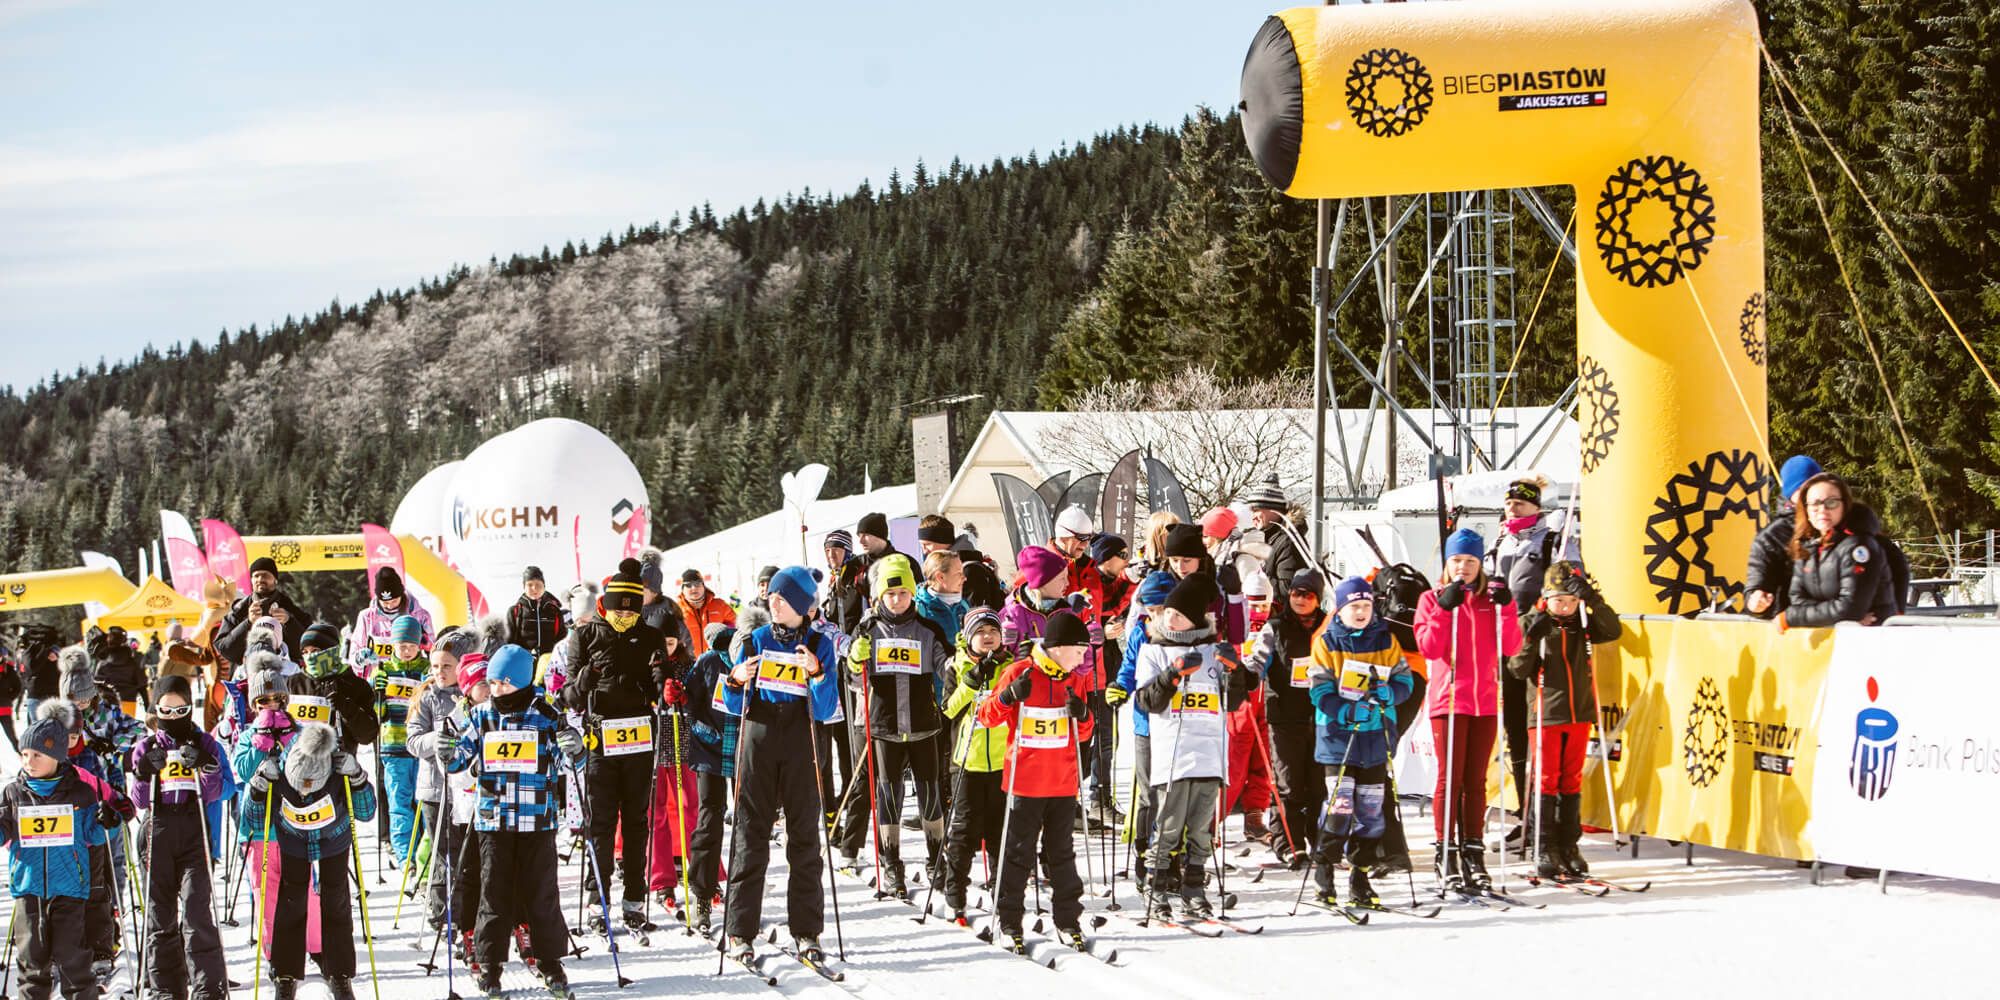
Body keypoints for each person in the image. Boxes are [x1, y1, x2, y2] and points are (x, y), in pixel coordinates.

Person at [719, 566, 843, 965]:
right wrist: (736, 679)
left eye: (783, 597)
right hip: (760, 734)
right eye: (772, 595)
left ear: (804, 607)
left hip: (802, 737)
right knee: (750, 833)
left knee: (805, 835)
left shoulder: (819, 643)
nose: (773, 601)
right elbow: (733, 706)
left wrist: (818, 673)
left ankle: (807, 930)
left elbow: (825, 710)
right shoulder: (755, 639)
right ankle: (740, 930)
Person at [448, 646, 579, 1000]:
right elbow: (459, 761)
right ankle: (490, 965)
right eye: (491, 683)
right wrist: (448, 748)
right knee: (494, 890)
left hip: (537, 818)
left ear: (519, 682)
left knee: (541, 892)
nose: (495, 691)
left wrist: (574, 747)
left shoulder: (545, 715)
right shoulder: (481, 715)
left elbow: (568, 764)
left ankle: (550, 960)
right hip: (495, 819)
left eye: (503, 684)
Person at [975, 610, 1095, 951]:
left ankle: (1068, 919)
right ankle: (1009, 920)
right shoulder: (1020, 671)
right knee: (1017, 855)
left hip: (1062, 783)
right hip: (1024, 783)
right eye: (1078, 651)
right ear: (1058, 647)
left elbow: (1083, 733)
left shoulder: (1074, 680)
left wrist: (1083, 714)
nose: (1082, 658)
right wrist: (1008, 695)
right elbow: (985, 716)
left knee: (1061, 856)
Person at [564, 557, 669, 935]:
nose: (624, 615)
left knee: (638, 823)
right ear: (605, 606)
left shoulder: (652, 636)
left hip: (640, 738)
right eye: (617, 609)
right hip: (600, 739)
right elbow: (570, 697)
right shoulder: (586, 635)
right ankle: (597, 899)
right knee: (601, 823)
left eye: (631, 609)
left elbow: (663, 685)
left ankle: (634, 899)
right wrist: (586, 678)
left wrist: (665, 685)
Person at [1416, 527, 1524, 893]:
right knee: (1451, 779)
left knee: (1476, 782)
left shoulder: (1488, 601)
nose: (1463, 568)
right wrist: (1445, 609)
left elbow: (1511, 647)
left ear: (1481, 565)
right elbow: (1429, 649)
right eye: (1457, 561)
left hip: (1484, 702)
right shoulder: (1431, 599)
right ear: (1447, 563)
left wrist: (1508, 608)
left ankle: (1473, 851)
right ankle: (1445, 851)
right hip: (1449, 700)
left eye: (1471, 561)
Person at [844, 554, 955, 898]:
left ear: (912, 594)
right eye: (891, 595)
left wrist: (958, 664)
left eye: (904, 593)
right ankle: (891, 863)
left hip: (924, 725)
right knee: (889, 795)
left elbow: (945, 666)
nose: (898, 600)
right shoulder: (867, 630)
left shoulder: (928, 630)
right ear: (879, 597)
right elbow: (850, 679)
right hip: (885, 727)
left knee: (930, 795)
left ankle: (937, 858)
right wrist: (855, 657)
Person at [1133, 574, 1241, 922]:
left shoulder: (1213, 651)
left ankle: (1194, 887)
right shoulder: (1153, 650)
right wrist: (1172, 675)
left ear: (1194, 619)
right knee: (1168, 824)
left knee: (1200, 828)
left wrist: (1234, 670)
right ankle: (1157, 885)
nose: (1168, 618)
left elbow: (1236, 700)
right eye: (1167, 612)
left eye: (1178, 614)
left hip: (1209, 754)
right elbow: (1146, 700)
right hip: (1173, 755)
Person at [1508, 562, 1622, 879]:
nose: (1566, 607)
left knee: (1571, 778)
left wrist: (1594, 601)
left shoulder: (1581, 621)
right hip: (1546, 713)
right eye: (1560, 600)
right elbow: (1516, 669)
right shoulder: (1533, 620)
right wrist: (1531, 639)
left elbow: (1612, 630)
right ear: (1547, 597)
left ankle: (1569, 845)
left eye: (1571, 601)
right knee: (1547, 778)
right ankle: (1543, 846)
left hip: (1579, 712)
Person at [1306, 577, 1414, 908]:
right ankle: (1324, 870)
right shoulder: (1327, 641)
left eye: (1366, 606)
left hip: (1374, 738)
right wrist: (1345, 709)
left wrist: (1390, 692)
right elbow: (1318, 689)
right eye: (1355, 606)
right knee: (1339, 809)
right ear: (1341, 608)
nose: (1362, 612)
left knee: (1371, 812)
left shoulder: (1386, 639)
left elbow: (1404, 680)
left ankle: (1360, 875)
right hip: (1338, 738)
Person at [245, 721, 373, 1000]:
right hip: (293, 841)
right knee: (290, 902)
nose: (303, 796)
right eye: (298, 790)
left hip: (333, 840)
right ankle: (285, 972)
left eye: (310, 791)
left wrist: (358, 777)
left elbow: (366, 813)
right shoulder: (277, 769)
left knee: (336, 901)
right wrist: (257, 789)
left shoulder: (338, 768)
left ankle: (339, 972)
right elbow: (253, 821)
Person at [1, 711, 118, 1000]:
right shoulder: (14, 793)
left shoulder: (79, 792)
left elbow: (93, 835)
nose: (29, 762)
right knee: (32, 965)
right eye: (24, 754)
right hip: (28, 890)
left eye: (37, 755)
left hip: (69, 889)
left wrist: (109, 822)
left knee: (73, 961)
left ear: (56, 756)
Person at [127, 675, 230, 1000]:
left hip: (193, 827)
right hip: (157, 831)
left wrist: (206, 765)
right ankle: (166, 989)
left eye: (180, 710)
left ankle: (207, 988)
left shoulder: (204, 742)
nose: (173, 718)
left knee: (197, 909)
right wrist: (143, 772)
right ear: (155, 709)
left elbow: (216, 792)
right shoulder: (146, 746)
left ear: (190, 708)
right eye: (165, 711)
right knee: (160, 914)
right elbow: (139, 801)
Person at [1488, 475, 1580, 813]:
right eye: (1509, 504)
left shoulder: (1551, 541)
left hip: (1539, 641)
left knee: (1535, 721)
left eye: (1520, 504)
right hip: (1506, 642)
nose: (1513, 509)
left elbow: (1572, 579)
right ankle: (1524, 805)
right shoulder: (1501, 543)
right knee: (1513, 723)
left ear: (1535, 507)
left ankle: (1547, 806)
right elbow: (1486, 581)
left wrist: (1556, 591)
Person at [1246, 568, 1328, 862]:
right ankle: (1289, 845)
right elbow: (1256, 662)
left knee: (1317, 784)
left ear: (1318, 598)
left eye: (1307, 594)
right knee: (1288, 782)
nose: (1300, 599)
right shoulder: (1276, 626)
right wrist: (1244, 677)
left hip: (1320, 715)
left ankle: (1318, 839)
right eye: (1295, 593)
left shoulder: (1329, 626)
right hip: (1284, 714)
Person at [1105, 570, 1178, 891]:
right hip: (1145, 723)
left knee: (1174, 793)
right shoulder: (1140, 633)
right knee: (1148, 793)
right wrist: (1119, 687)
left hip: (1179, 723)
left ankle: (1172, 857)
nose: (1155, 616)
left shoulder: (1186, 633)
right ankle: (1144, 856)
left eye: (1161, 609)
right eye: (1150, 609)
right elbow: (1128, 669)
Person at [939, 608, 1011, 923]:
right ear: (970, 637)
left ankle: (1002, 890)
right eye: (981, 632)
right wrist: (970, 682)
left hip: (1002, 760)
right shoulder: (956, 665)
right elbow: (948, 709)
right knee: (964, 833)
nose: (988, 637)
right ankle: (955, 895)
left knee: (1000, 831)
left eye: (993, 631)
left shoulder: (1010, 666)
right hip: (967, 761)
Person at [681, 620, 745, 933]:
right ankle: (703, 892)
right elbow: (688, 704)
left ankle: (743, 893)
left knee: (748, 821)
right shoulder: (707, 663)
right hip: (711, 748)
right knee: (709, 819)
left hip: (746, 748)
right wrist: (700, 729)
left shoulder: (754, 660)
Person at [1781, 473, 1900, 628]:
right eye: (1815, 504)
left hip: (1871, 639)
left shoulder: (1859, 545)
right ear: (1806, 509)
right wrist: (1836, 617)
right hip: (1831, 640)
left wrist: (1792, 617)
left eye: (1831, 503)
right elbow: (1797, 599)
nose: (1822, 510)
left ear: (1844, 506)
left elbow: (1851, 607)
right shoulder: (1807, 545)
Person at [1076, 534, 1133, 828]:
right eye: (1122, 554)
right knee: (1090, 738)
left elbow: (1115, 605)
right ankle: (1076, 799)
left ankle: (1099, 799)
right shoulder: (1089, 581)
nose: (1127, 558)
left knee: (1108, 738)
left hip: (1107, 665)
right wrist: (1101, 629)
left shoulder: (1113, 581)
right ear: (1105, 556)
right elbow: (1084, 618)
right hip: (1086, 669)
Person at [371, 614, 428, 869]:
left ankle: (426, 852)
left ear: (419, 645)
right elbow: (376, 715)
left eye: (411, 645)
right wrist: (376, 692)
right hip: (393, 747)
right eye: (401, 645)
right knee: (399, 803)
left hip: (421, 748)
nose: (406, 651)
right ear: (392, 644)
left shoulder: (426, 670)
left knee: (425, 802)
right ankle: (406, 855)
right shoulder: (384, 670)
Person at [1746, 455, 1823, 618]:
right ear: (1791, 492)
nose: (1812, 494)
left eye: (1816, 486)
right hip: (1790, 627)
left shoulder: (1838, 524)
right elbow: (1758, 583)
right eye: (1804, 488)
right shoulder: (1772, 537)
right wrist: (1757, 601)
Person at [299, 623, 380, 755]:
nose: (310, 657)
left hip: (339, 767)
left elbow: (367, 736)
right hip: (298, 767)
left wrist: (346, 707)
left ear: (332, 650)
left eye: (315, 651)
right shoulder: (294, 683)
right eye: (305, 652)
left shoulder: (355, 685)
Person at [216, 558, 309, 666]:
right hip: (247, 678)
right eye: (256, 576)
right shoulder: (238, 611)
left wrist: (290, 622)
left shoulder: (291, 610)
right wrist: (247, 623)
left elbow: (307, 647)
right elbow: (225, 650)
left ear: (275, 579)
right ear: (251, 580)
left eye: (265, 575)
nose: (260, 579)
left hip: (285, 677)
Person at [346, 568, 434, 679]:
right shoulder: (367, 617)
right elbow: (354, 653)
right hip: (379, 681)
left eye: (394, 601)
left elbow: (433, 649)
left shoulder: (419, 615)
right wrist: (360, 659)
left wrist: (425, 644)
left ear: (401, 595)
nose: (390, 606)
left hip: (411, 678)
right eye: (385, 602)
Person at [1000, 546, 1072, 656]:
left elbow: (1081, 664)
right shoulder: (1011, 616)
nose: (1067, 583)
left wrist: (1093, 647)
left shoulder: (1066, 611)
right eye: (1062, 578)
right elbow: (1001, 663)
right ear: (1043, 582)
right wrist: (1006, 649)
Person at [1242, 476, 1308, 591]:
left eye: (1256, 510)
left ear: (1274, 510)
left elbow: (1287, 589)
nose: (1253, 516)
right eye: (1251, 510)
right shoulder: (1269, 538)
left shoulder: (1289, 542)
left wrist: (1253, 575)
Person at [637, 549, 695, 655]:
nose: (636, 595)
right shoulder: (630, 612)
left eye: (641, 591)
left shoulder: (669, 615)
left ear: (654, 592)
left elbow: (688, 651)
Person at [506, 566, 569, 656]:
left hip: (549, 664)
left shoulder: (554, 611)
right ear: (524, 587)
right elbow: (509, 644)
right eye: (530, 584)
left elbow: (561, 640)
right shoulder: (515, 611)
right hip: (524, 664)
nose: (534, 588)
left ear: (544, 586)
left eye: (538, 584)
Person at [676, 568, 737, 658]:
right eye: (688, 585)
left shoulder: (720, 605)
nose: (693, 588)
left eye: (697, 584)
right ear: (682, 589)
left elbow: (736, 627)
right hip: (689, 663)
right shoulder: (676, 610)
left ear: (703, 586)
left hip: (717, 661)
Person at [85, 625, 146, 715]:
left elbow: (95, 682)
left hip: (108, 702)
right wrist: (148, 708)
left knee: (108, 727)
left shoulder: (102, 663)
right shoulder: (132, 663)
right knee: (127, 726)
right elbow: (142, 685)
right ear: (124, 641)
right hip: (128, 700)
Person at [914, 550, 968, 646]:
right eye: (959, 573)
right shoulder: (919, 610)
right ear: (941, 577)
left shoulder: (965, 606)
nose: (964, 578)